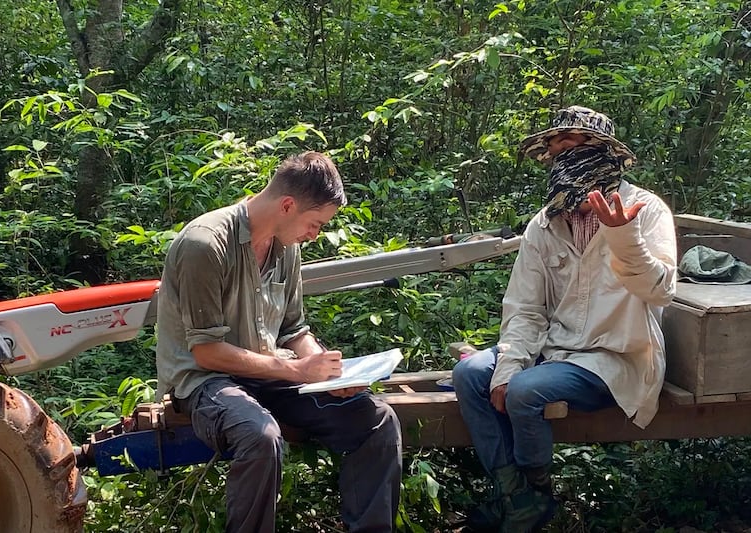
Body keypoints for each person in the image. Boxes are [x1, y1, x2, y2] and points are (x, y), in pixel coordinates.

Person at [452, 106, 678, 532]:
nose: (560, 156)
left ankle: (536, 494)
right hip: (555, 352)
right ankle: (512, 494)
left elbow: (660, 289)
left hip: (614, 359)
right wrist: (507, 366)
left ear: (601, 152)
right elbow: (524, 307)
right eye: (554, 148)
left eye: (570, 145)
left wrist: (623, 236)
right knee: (470, 373)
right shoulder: (546, 223)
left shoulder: (645, 210)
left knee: (524, 391)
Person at [155, 151, 402, 533]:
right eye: (314, 223)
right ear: (287, 205)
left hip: (272, 372)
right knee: (261, 437)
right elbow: (206, 351)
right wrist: (295, 369)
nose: (314, 235)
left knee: (376, 420)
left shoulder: (286, 248)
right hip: (204, 381)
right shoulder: (205, 245)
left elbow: (293, 328)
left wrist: (328, 372)